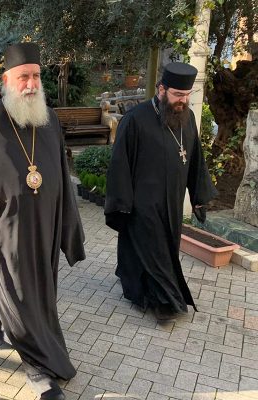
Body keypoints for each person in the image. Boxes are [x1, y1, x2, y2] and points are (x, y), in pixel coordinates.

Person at [0, 42, 86, 400]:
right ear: (5, 81)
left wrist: (69, 229)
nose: (31, 83)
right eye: (23, 77)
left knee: (41, 293)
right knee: (19, 293)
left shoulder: (48, 122)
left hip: (45, 228)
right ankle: (40, 370)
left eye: (35, 76)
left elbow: (62, 177)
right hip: (7, 231)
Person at [105, 62, 217, 321]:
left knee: (166, 249)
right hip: (143, 204)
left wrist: (198, 198)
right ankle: (164, 303)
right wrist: (121, 203)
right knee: (153, 251)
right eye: (178, 95)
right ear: (161, 89)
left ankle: (140, 290)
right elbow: (119, 164)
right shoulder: (135, 120)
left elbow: (195, 158)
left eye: (187, 95)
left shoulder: (186, 118)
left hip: (173, 202)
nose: (183, 100)